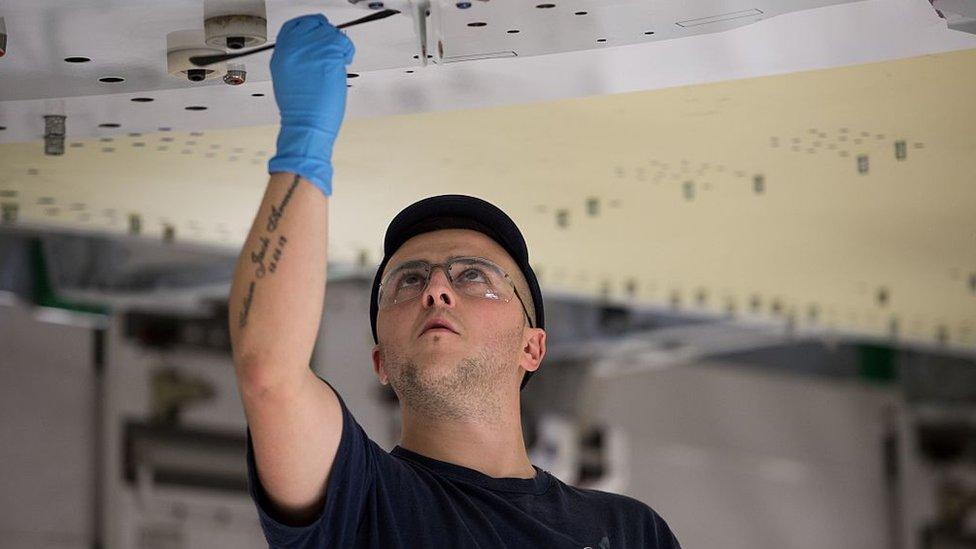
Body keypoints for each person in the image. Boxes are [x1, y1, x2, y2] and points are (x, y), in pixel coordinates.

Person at [228, 13, 681, 548]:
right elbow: (270, 375)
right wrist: (304, 141)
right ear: (380, 361)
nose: (435, 290)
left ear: (532, 348)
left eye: (474, 277)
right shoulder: (364, 500)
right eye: (408, 281)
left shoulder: (628, 531)